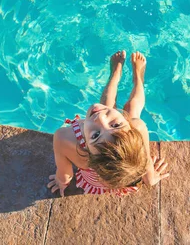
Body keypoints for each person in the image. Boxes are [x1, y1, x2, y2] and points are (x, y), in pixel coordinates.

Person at [47, 50, 170, 197]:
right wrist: (150, 178)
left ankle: (115, 74)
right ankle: (138, 77)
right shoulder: (137, 127)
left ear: (89, 156)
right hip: (118, 176)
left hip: (103, 177)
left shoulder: (64, 139)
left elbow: (65, 175)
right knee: (133, 108)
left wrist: (61, 182)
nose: (100, 119)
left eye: (95, 135)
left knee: (106, 104)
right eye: (116, 125)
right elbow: (143, 156)